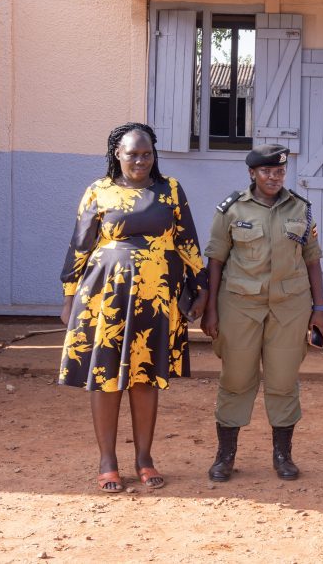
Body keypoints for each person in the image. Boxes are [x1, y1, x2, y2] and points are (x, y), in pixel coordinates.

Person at [59, 122, 208, 493]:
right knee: (106, 377)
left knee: (145, 377)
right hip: (105, 297)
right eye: (132, 154)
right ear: (117, 154)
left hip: (155, 298)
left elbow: (188, 242)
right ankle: (107, 460)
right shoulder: (99, 191)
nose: (140, 160)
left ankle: (145, 458)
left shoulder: (170, 190)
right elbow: (81, 244)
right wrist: (68, 295)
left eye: (147, 154)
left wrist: (200, 287)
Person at [201, 144, 323, 482]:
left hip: (289, 308)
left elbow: (312, 259)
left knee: (284, 381)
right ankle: (225, 457)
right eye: (266, 172)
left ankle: (282, 457)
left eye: (279, 172)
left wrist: (320, 309)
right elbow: (215, 260)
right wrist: (210, 309)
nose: (274, 177)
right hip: (240, 307)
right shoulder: (232, 209)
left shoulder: (301, 208)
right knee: (236, 380)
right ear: (252, 173)